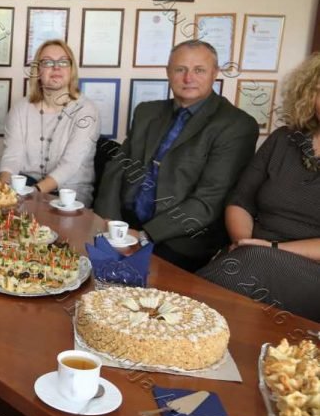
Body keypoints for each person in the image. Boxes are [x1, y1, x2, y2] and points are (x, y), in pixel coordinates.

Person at [93, 40, 259, 272]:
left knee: (133, 288)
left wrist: (144, 235)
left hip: (180, 239)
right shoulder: (147, 111)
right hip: (124, 223)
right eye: (180, 69)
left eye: (199, 70)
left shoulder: (236, 125)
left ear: (215, 73)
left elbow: (208, 201)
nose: (188, 78)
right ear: (168, 73)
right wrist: (108, 220)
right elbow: (117, 168)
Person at [198, 53, 320, 320]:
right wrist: (243, 241)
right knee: (242, 275)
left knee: (251, 264)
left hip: (310, 271)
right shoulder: (284, 139)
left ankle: (169, 320)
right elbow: (240, 201)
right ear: (309, 95)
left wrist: (266, 249)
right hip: (249, 254)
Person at [0, 40, 100, 206]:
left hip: (69, 194)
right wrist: (3, 191)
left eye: (63, 62)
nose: (56, 67)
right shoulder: (20, 109)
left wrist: (32, 194)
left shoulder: (86, 111)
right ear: (38, 71)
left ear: (71, 69)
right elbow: (12, 157)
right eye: (48, 62)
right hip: (25, 187)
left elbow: (70, 165)